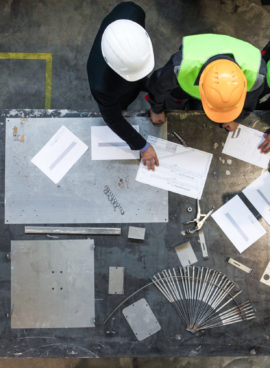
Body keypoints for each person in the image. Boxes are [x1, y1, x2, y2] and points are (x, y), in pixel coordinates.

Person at [147, 33, 270, 153]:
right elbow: (158, 86)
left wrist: (236, 118)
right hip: (182, 87)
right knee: (173, 105)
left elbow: (250, 102)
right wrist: (156, 109)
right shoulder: (181, 67)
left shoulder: (256, 76)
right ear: (200, 86)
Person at [87, 1, 158, 170]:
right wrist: (143, 146)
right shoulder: (102, 85)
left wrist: (156, 104)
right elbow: (113, 118)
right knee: (121, 104)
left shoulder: (133, 11)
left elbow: (142, 79)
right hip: (115, 88)